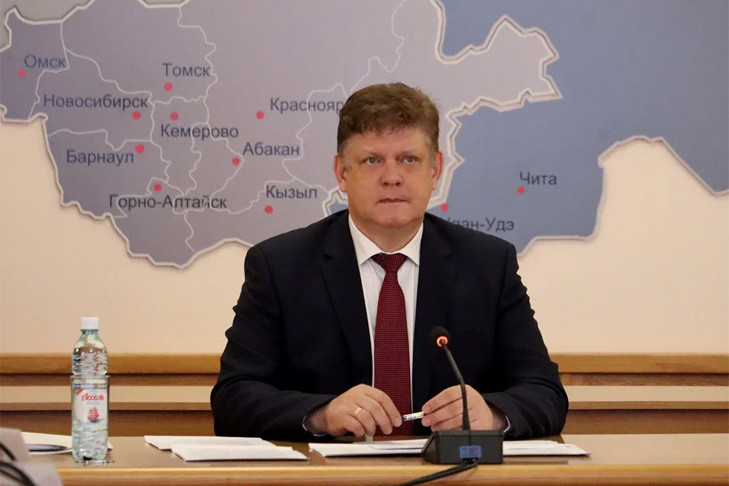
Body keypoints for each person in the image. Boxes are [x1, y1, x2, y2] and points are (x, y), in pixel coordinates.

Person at [211, 82, 567, 441]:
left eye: (409, 160)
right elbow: (233, 398)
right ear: (341, 173)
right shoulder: (281, 267)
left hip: (449, 470)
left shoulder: (487, 265)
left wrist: (490, 415)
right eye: (372, 161)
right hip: (331, 471)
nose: (392, 177)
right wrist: (321, 415)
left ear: (435, 169)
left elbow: (545, 392)